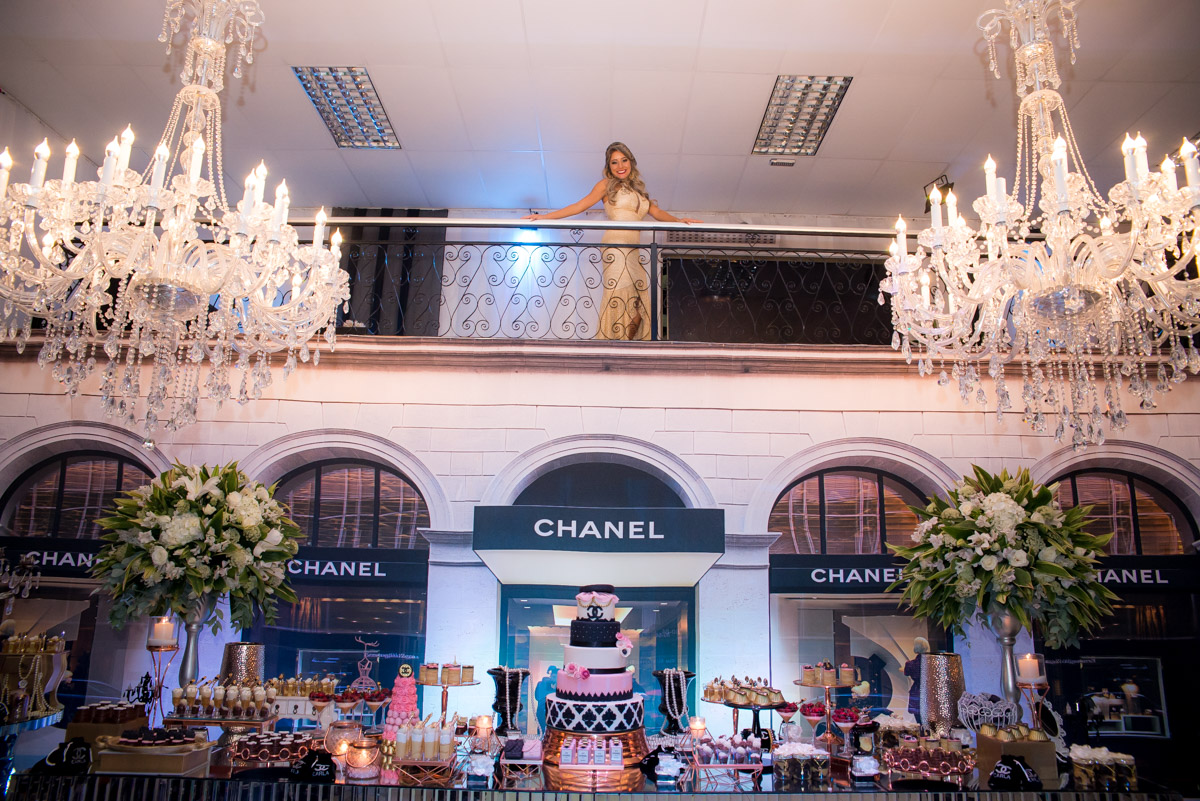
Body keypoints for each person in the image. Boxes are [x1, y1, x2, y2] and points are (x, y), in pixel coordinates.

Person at [524, 142, 701, 340]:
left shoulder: (639, 193)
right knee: (618, 299)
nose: (620, 166)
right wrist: (544, 217)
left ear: (631, 162)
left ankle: (624, 344)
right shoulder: (606, 185)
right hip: (616, 247)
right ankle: (614, 346)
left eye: (624, 160)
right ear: (609, 167)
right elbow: (579, 205)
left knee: (641, 307)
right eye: (614, 162)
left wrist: (679, 221)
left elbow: (657, 212)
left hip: (634, 252)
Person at [904, 637, 929, 721]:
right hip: (929, 691)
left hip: (916, 691)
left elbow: (906, 672)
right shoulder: (931, 663)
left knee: (919, 721)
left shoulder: (910, 664)